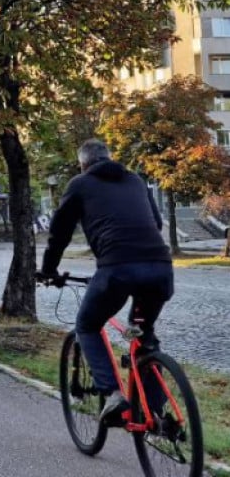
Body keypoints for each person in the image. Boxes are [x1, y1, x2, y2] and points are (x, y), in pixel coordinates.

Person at [40, 139, 173, 425]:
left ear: (83, 163)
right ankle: (156, 414)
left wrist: (48, 270)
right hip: (161, 268)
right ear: (110, 158)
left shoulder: (79, 184)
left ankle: (112, 393)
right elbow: (157, 224)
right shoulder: (135, 180)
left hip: (117, 269)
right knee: (142, 332)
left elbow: (59, 232)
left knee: (87, 325)